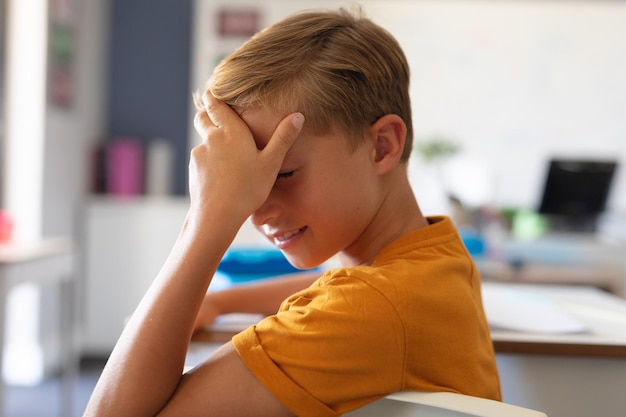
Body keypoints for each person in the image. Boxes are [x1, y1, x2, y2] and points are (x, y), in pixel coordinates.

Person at [84, 8, 501, 417]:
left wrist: (206, 222)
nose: (255, 210)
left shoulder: (365, 313)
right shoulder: (431, 259)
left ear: (382, 146)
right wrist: (223, 301)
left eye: (282, 173)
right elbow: (335, 286)